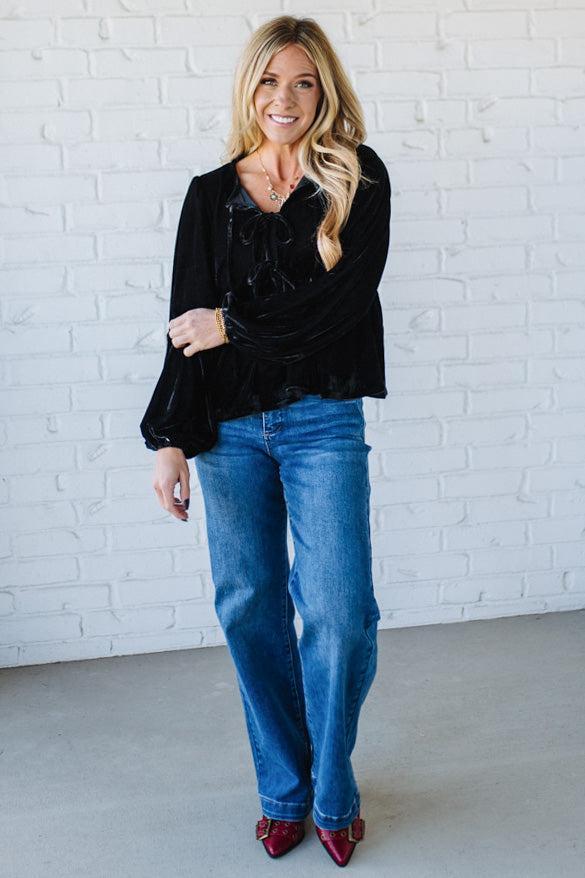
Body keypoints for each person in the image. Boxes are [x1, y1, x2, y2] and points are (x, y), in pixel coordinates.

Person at [140, 14, 391, 869]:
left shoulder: (358, 179)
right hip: (230, 432)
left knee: (341, 613)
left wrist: (232, 326)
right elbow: (184, 323)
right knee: (249, 607)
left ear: (325, 91)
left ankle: (333, 786)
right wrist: (168, 440)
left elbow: (339, 308)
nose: (284, 99)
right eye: (269, 81)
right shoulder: (210, 193)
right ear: (249, 89)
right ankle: (288, 793)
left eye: (304, 82)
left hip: (323, 420)